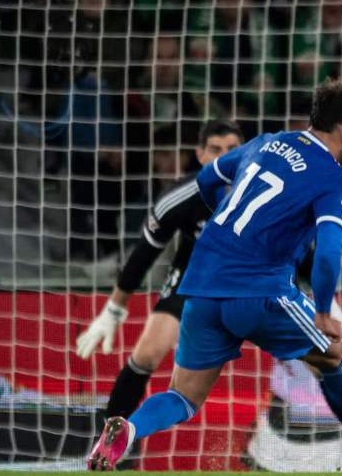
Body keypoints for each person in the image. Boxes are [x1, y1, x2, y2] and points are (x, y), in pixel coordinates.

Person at [86, 79, 342, 471]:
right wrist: (323, 310)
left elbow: (206, 181)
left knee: (183, 397)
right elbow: (328, 255)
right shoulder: (335, 179)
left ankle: (128, 429)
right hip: (260, 290)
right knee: (335, 353)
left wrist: (236, 221)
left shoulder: (265, 143)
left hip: (201, 288)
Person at [76, 121, 243, 422]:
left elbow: (296, 243)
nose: (224, 157)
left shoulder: (266, 189)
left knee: (312, 353)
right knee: (146, 354)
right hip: (194, 276)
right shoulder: (180, 198)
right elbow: (143, 255)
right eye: (215, 150)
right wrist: (114, 310)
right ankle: (108, 444)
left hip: (253, 281)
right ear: (200, 155)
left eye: (232, 150)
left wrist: (327, 305)